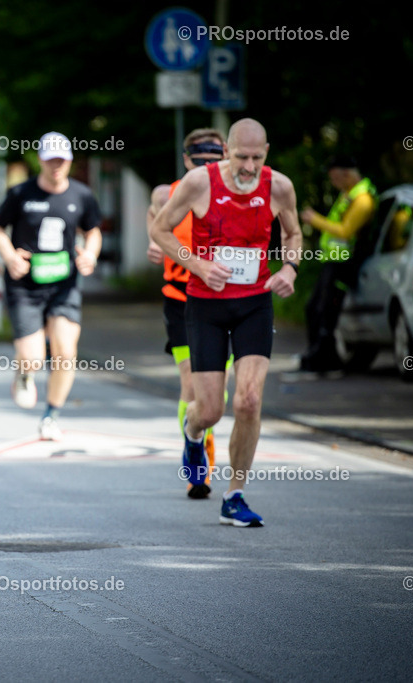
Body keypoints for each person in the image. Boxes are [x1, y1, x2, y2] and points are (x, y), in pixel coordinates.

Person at [149, 118, 301, 527]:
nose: (248, 167)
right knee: (211, 410)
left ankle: (234, 496)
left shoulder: (279, 186)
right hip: (206, 306)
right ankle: (192, 433)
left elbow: (293, 234)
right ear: (227, 151)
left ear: (266, 152)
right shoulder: (199, 183)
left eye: (256, 158)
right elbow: (160, 230)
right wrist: (198, 264)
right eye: (240, 157)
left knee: (248, 400)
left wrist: (290, 268)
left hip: (254, 303)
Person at [0, 131, 102, 441]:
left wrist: (90, 255)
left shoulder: (81, 195)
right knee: (34, 357)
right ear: (40, 160)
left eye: (61, 161)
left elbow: (92, 231)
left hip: (64, 284)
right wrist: (10, 256)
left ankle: (51, 415)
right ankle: (25, 372)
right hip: (24, 284)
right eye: (51, 160)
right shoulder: (21, 193)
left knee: (66, 351)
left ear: (70, 162)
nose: (56, 166)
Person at [146, 128, 228, 499]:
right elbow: (155, 217)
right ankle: (198, 464)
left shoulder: (237, 196)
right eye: (199, 161)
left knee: (215, 394)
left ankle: (197, 435)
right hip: (179, 297)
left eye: (213, 161)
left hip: (223, 299)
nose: (206, 168)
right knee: (191, 383)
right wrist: (153, 241)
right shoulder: (169, 194)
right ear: (186, 160)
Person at [298, 156, 377, 372]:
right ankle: (318, 354)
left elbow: (345, 231)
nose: (333, 183)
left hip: (345, 262)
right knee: (315, 308)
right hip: (334, 259)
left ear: (347, 174)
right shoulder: (348, 195)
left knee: (325, 311)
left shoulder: (362, 200)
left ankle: (323, 358)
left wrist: (315, 220)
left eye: (335, 178)